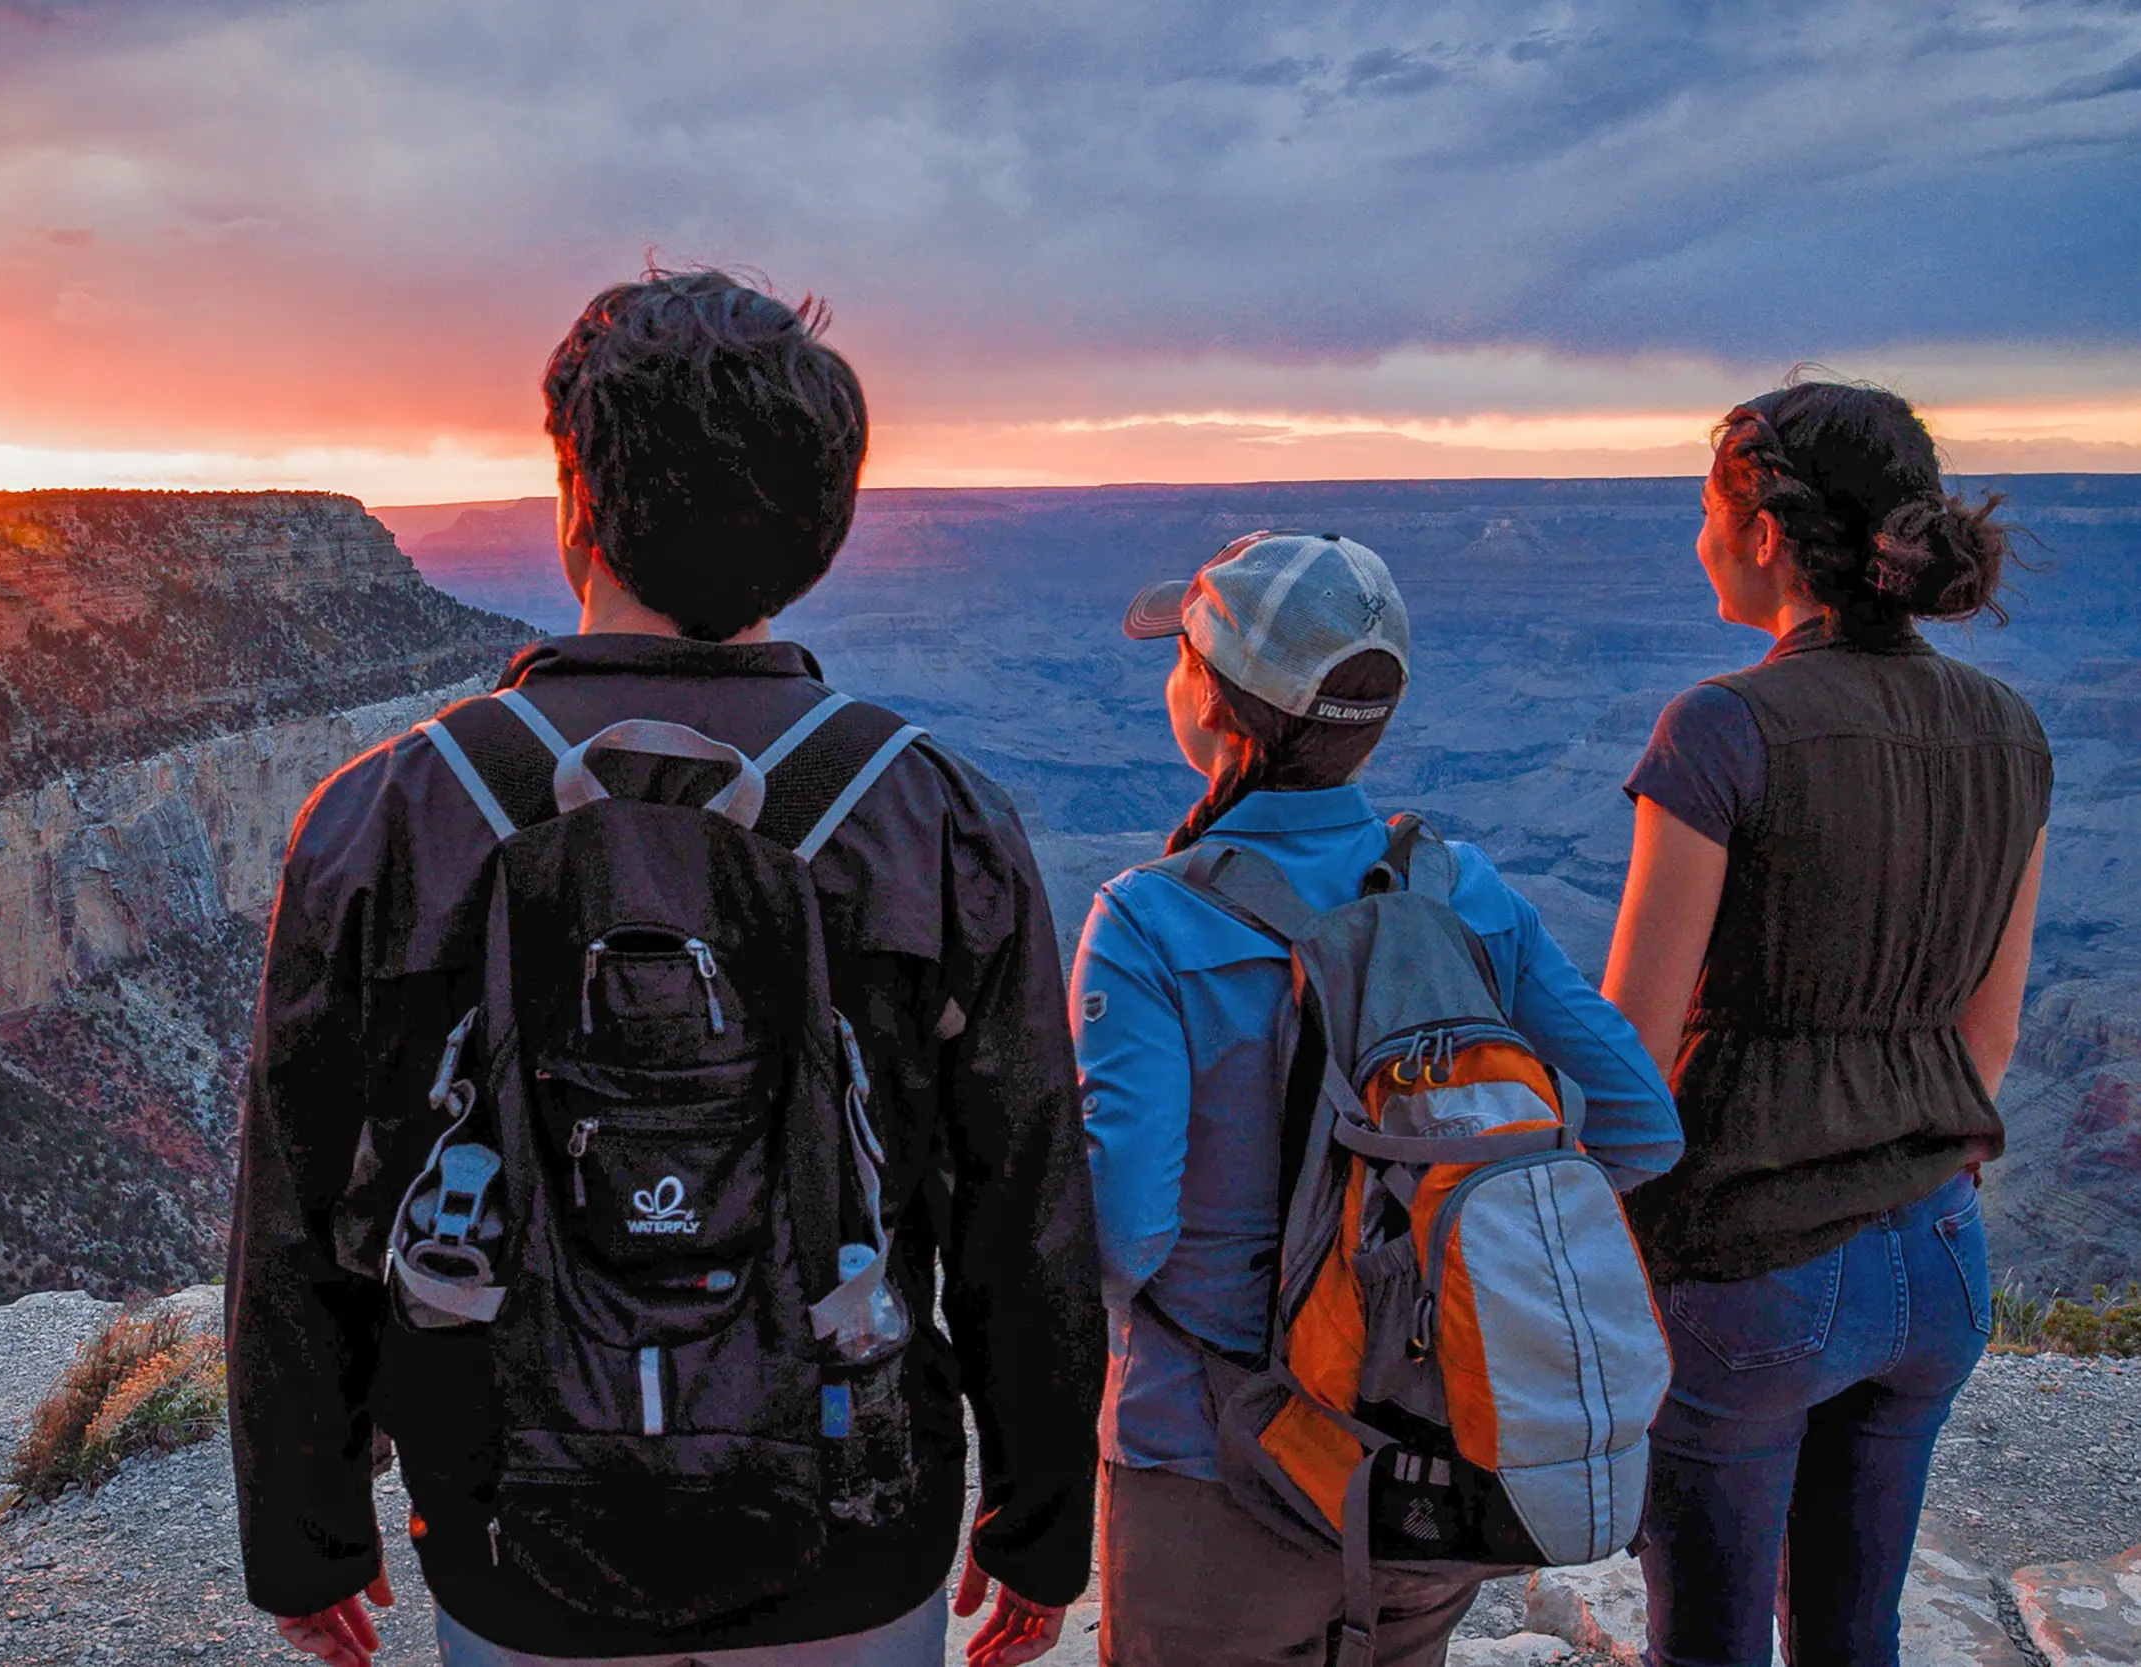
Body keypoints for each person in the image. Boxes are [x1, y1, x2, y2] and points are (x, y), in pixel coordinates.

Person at [228, 269, 1104, 1667]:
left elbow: (300, 1193)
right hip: (856, 1525)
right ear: (823, 531)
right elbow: (1026, 1203)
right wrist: (1039, 1520)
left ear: (576, 496)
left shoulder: (388, 816)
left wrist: (305, 1523)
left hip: (518, 1533)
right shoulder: (938, 816)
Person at [1072, 531, 1683, 1667]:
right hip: (1422, 1461)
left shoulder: (1146, 921)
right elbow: (1640, 1125)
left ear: (1211, 701)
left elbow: (1125, 1233)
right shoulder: (1464, 892)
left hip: (1214, 1471)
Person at [1602, 382, 2050, 1667]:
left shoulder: (1721, 728)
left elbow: (1631, 1061)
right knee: (1857, 1636)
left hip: (1752, 1264)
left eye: (1705, 513)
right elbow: (1991, 1042)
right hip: (1938, 1260)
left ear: (1760, 529)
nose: (1697, 543)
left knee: (1709, 1643)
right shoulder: (2008, 732)